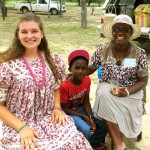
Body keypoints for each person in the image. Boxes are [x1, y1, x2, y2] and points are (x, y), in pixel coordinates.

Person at [0, 12, 93, 150]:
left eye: (34, 31)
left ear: (42, 34)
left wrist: (56, 107)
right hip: (17, 122)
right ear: (18, 35)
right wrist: (22, 128)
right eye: (24, 32)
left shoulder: (52, 60)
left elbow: (55, 88)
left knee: (73, 139)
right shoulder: (7, 64)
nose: (29, 36)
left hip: (47, 118)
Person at [87, 14, 148, 150]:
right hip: (110, 89)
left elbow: (143, 81)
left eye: (125, 30)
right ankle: (119, 144)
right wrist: (73, 73)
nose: (120, 33)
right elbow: (89, 69)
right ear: (112, 32)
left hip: (131, 91)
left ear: (131, 33)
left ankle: (117, 144)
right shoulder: (103, 49)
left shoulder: (139, 53)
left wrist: (125, 91)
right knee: (103, 93)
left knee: (109, 102)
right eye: (116, 29)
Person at [60, 50, 108, 150]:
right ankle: (83, 147)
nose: (80, 71)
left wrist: (90, 116)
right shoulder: (65, 86)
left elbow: (86, 101)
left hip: (82, 109)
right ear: (70, 69)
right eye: (76, 68)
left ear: (87, 70)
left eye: (83, 68)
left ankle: (91, 144)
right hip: (70, 113)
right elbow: (64, 109)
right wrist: (83, 116)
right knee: (85, 129)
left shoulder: (87, 80)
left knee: (103, 124)